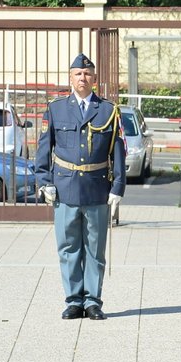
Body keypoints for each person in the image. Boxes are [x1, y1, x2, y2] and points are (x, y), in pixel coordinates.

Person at [35, 53, 127, 320]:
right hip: (65, 188)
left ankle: (93, 301)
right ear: (71, 78)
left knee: (95, 249)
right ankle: (74, 300)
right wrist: (44, 182)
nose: (82, 78)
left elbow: (118, 151)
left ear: (94, 79)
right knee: (68, 247)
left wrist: (118, 187)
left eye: (87, 74)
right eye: (78, 74)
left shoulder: (109, 111)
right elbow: (43, 150)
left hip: (97, 188)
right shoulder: (56, 109)